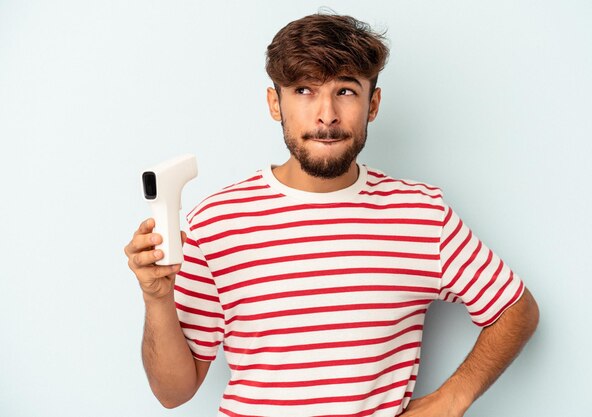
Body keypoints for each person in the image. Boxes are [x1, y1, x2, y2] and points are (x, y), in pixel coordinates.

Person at [124, 13, 539, 417]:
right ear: (275, 103)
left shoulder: (422, 214)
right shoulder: (215, 223)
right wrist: (157, 300)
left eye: (345, 90)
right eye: (304, 90)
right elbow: (173, 393)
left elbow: (516, 309)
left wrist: (452, 400)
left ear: (372, 104)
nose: (326, 115)